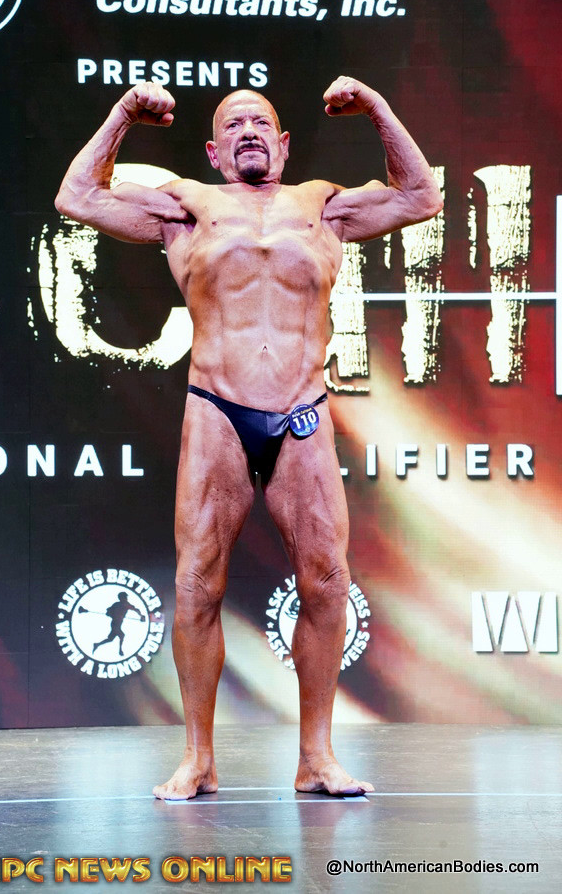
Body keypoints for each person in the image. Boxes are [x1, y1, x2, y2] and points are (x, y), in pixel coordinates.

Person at [55, 76, 443, 800]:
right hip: (217, 409)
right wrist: (124, 114)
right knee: (196, 584)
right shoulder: (185, 206)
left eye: (260, 121)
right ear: (214, 152)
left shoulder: (322, 204)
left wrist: (376, 108)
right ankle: (198, 759)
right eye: (232, 125)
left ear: (284, 143)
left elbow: (421, 197)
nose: (248, 132)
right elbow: (77, 196)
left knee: (326, 582)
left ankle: (317, 757)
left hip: (302, 410)